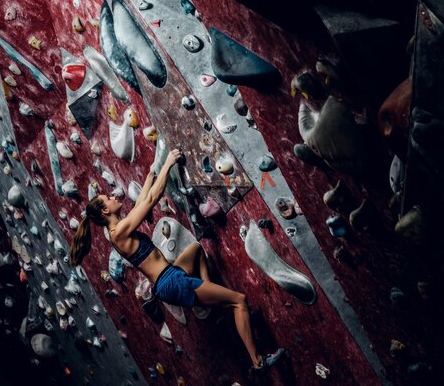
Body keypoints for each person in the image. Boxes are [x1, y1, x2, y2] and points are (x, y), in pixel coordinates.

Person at [69, 148, 286, 373]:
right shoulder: (118, 232)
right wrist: (168, 164)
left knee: (194, 250)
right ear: (105, 210)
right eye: (109, 198)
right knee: (239, 301)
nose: (113, 196)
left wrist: (152, 172)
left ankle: (211, 298)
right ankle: (258, 362)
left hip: (169, 277)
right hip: (170, 282)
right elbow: (151, 199)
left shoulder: (118, 229)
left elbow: (142, 199)